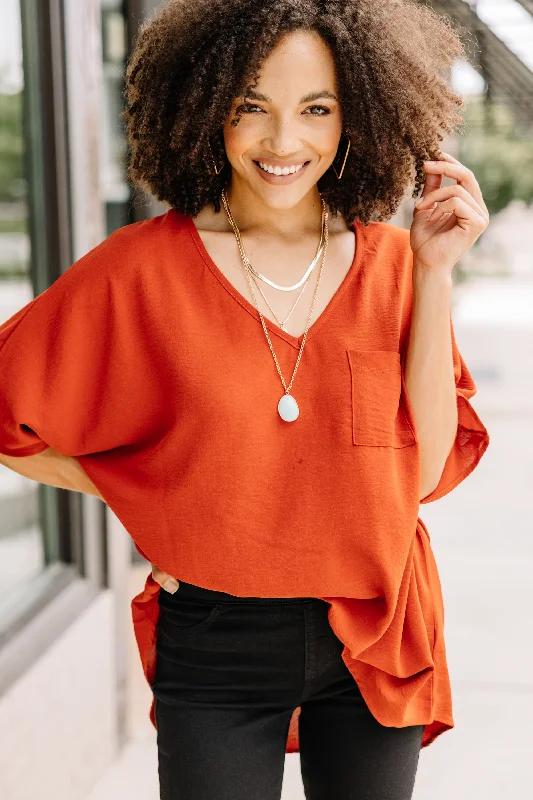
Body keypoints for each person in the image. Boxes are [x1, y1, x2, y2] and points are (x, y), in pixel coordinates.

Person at [0, 1, 490, 797]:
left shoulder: (399, 264)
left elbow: (423, 467)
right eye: (250, 108)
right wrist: (155, 499)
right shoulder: (138, 272)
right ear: (204, 110)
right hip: (215, 641)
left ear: (358, 115)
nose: (283, 142)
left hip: (377, 629)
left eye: (316, 110)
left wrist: (435, 274)